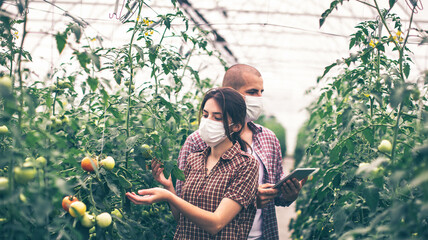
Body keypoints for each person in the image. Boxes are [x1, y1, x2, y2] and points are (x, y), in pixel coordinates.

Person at [176, 64, 305, 240]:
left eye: (261, 92)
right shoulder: (198, 141)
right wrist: (250, 199)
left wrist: (288, 194)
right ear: (230, 92)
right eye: (252, 92)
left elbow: (278, 194)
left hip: (262, 234)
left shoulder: (268, 138)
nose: (259, 98)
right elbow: (182, 200)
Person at [126, 87, 259, 239]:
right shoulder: (194, 160)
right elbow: (182, 220)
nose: (208, 122)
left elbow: (216, 223)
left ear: (236, 126)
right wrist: (168, 187)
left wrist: (169, 197)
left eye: (217, 117)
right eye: (205, 115)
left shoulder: (246, 165)